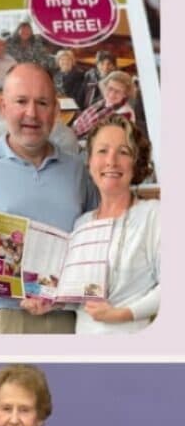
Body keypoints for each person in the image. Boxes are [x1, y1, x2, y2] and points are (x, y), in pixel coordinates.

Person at [0, 63, 94, 333]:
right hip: (6, 316)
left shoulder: (78, 170)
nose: (31, 113)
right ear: (4, 107)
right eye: (21, 101)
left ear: (56, 110)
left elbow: (94, 241)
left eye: (42, 103)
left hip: (71, 317)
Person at [70, 119, 158, 333]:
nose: (112, 161)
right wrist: (47, 304)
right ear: (89, 162)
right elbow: (77, 296)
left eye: (124, 152)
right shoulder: (81, 224)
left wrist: (120, 314)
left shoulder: (153, 214)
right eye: (102, 151)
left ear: (136, 162)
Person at [73, 70, 137, 137]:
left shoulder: (125, 113)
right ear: (105, 87)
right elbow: (80, 120)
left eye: (118, 91)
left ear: (125, 94)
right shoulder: (102, 102)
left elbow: (106, 139)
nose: (112, 94)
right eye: (110, 88)